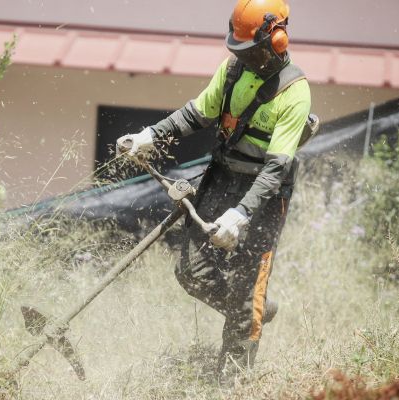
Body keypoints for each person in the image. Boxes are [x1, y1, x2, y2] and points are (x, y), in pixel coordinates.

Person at [116, 0, 318, 381]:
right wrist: (151, 135)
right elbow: (196, 114)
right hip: (222, 178)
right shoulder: (231, 72)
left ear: (276, 40)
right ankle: (256, 309)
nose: (244, 57)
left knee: (245, 289)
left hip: (263, 196)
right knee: (191, 272)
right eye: (238, 49)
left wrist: (240, 216)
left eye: (251, 50)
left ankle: (233, 381)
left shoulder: (294, 92)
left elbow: (276, 169)